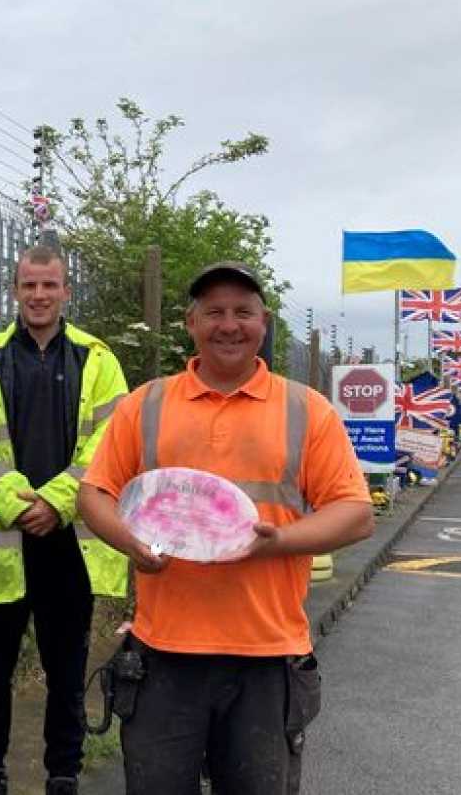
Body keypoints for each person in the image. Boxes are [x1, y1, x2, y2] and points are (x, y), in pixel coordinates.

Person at [78, 262, 375, 795]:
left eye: (243, 311)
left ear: (264, 323)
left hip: (265, 657)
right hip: (162, 655)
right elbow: (93, 494)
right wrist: (130, 541)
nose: (229, 324)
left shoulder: (306, 410)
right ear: (191, 323)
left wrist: (279, 542)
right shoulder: (145, 405)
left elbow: (354, 513)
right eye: (214, 312)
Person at [0, 245, 129, 795]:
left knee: (65, 672)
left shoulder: (97, 359)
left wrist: (56, 503)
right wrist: (15, 502)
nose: (39, 295)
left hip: (68, 543)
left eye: (49, 285)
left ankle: (63, 773)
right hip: (1, 541)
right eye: (29, 285)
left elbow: (114, 442)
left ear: (65, 291)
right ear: (15, 290)